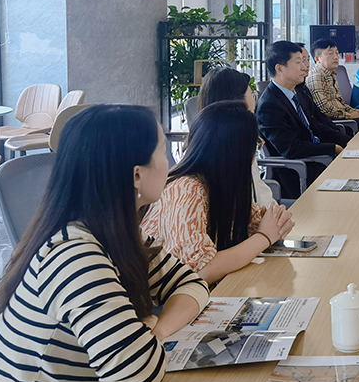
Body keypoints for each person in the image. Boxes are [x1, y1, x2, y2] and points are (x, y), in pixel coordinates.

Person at [0, 105, 209, 382]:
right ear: (137, 175)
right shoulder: (74, 254)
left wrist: (155, 330)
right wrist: (142, 339)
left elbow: (191, 283)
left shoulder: (115, 231)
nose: (170, 161)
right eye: (162, 150)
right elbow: (138, 373)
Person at [141, 101, 295, 284]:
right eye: (255, 144)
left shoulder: (222, 185)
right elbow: (200, 271)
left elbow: (250, 227)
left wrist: (274, 225)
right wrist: (264, 237)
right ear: (236, 153)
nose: (255, 154)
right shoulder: (186, 189)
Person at [257, 41, 346, 197]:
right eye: (298, 62)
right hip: (299, 172)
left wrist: (350, 142)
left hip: (319, 159)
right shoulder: (269, 105)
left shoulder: (297, 92)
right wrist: (333, 148)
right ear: (279, 69)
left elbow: (318, 126)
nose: (305, 67)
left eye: (304, 61)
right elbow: (291, 149)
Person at [196, 67, 275, 208]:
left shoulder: (236, 140)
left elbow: (259, 191)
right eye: (252, 94)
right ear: (236, 102)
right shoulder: (224, 154)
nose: (255, 100)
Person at [306, 39, 359, 128]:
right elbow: (323, 109)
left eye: (336, 53)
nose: (336, 57)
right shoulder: (316, 76)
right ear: (317, 59)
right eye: (330, 54)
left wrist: (353, 111)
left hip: (342, 117)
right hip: (334, 123)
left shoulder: (331, 73)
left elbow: (339, 103)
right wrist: (349, 115)